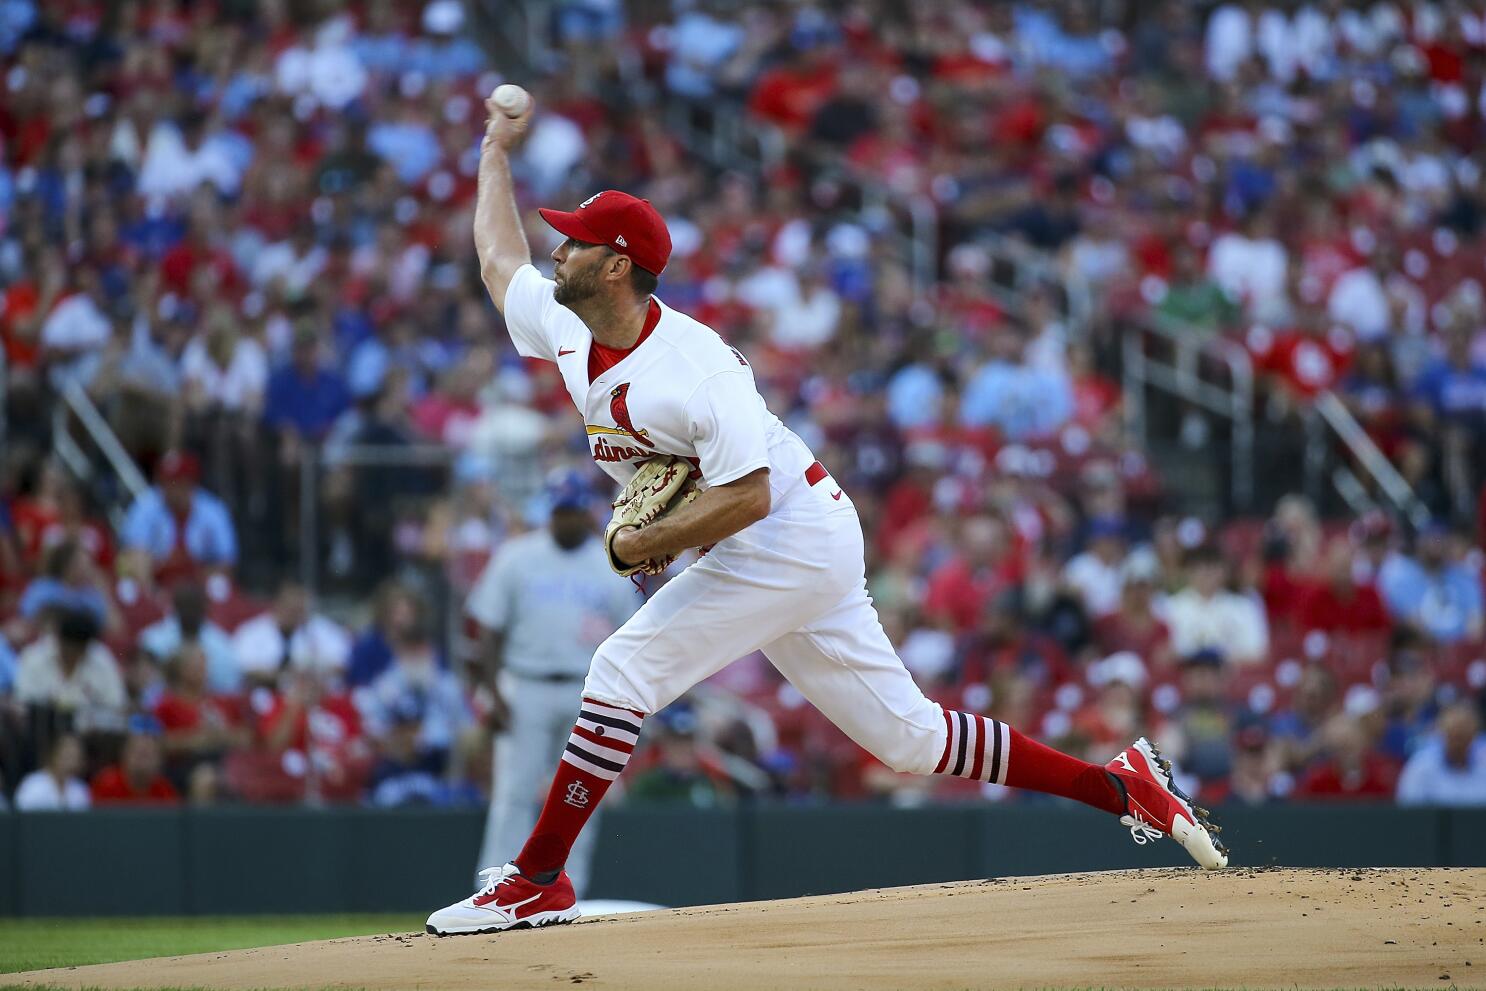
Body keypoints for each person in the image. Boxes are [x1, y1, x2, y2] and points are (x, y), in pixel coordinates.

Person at [426, 92, 1227, 936]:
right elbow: (495, 258)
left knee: (622, 673)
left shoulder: (698, 371)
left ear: (619, 265)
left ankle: (537, 878)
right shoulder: (565, 318)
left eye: (578, 239)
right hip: (795, 537)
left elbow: (748, 495)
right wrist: (493, 151)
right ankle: (1120, 784)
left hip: (786, 533)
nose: (559, 245)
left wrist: (643, 541)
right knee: (912, 742)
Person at [464, 469, 639, 896]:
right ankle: (492, 886)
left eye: (573, 511)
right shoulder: (517, 556)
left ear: (587, 513)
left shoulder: (609, 562)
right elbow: (486, 630)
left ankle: (568, 886)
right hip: (526, 685)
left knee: (582, 794)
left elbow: (632, 633)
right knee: (514, 791)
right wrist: (492, 691)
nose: (565, 519)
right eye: (559, 511)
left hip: (589, 691)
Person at [119, 450, 238, 586]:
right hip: (156, 578)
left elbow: (227, 561)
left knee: (219, 581)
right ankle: (151, 605)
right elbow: (133, 553)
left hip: (198, 584)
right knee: (135, 562)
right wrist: (165, 565)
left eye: (177, 483)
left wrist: (192, 571)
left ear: (191, 484)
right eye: (166, 482)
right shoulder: (145, 506)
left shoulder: (213, 510)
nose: (171, 489)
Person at [1396, 702, 1486, 806]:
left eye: (1464, 735)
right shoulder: (1421, 766)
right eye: (1454, 736)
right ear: (1442, 733)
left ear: (1474, 734)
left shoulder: (1483, 763)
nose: (1459, 742)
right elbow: (1409, 811)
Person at [90, 726, 180, 805]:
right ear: (124, 755)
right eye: (138, 753)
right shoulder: (105, 784)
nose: (142, 760)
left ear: (160, 761)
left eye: (147, 755)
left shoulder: (164, 790)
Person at [13, 733, 91, 811]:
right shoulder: (33, 784)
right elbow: (23, 817)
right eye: (67, 754)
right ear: (55, 754)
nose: (71, 760)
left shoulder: (80, 789)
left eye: (75, 755)